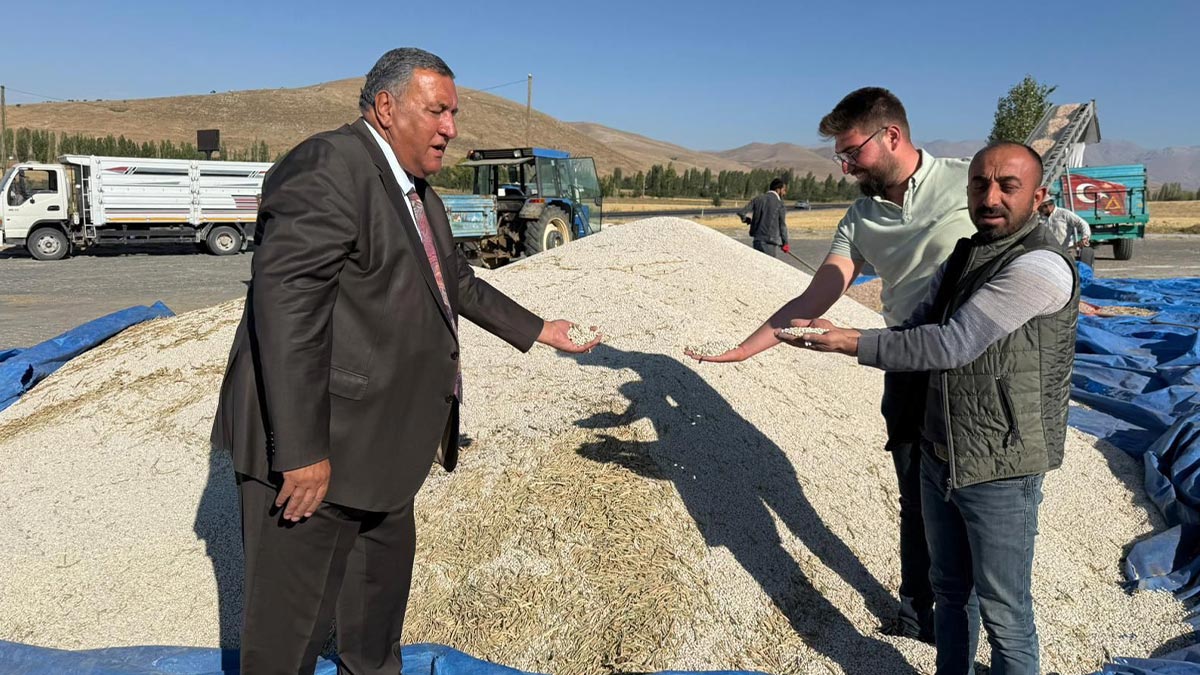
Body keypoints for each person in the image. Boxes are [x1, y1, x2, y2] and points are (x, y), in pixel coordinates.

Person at [210, 47, 600, 675]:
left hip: (383, 453)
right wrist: (303, 451)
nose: (451, 127)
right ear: (387, 108)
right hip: (317, 456)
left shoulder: (418, 194)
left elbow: (457, 283)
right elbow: (287, 315)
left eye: (454, 112)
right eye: (438, 110)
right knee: (288, 639)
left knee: (374, 632)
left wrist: (539, 329)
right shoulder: (327, 167)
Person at [687, 87, 976, 643]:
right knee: (915, 501)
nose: (844, 168)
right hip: (907, 366)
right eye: (839, 157)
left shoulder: (968, 182)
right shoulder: (860, 217)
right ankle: (918, 616)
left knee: (971, 501)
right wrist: (745, 349)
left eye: (852, 153)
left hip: (975, 370)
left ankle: (976, 624)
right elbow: (815, 297)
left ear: (891, 136)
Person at [790, 142, 1079, 675]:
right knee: (950, 594)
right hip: (941, 453)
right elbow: (917, 329)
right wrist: (840, 329)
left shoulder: (1041, 266)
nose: (989, 197)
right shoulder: (966, 254)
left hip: (999, 465)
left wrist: (853, 344)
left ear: (1038, 198)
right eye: (978, 185)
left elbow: (952, 343)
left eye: (1007, 187)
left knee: (1006, 615)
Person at [738, 177, 790, 258]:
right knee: (769, 269)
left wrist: (746, 219)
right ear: (778, 190)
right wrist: (785, 243)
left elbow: (741, 213)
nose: (784, 193)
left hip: (757, 242)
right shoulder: (780, 204)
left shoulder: (758, 199)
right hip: (769, 244)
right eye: (784, 190)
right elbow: (782, 226)